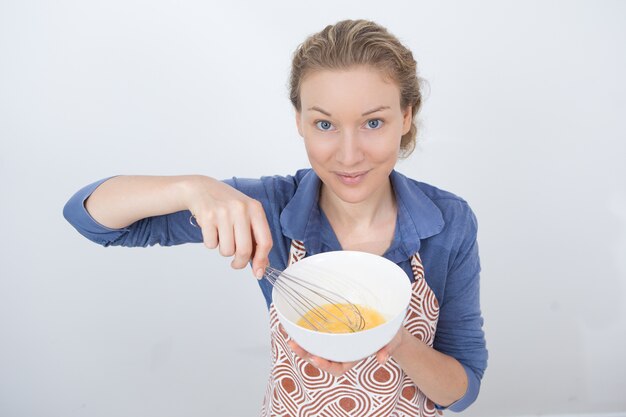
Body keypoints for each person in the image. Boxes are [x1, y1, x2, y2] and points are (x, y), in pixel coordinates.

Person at [64, 19, 487, 416]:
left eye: (373, 122)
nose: (348, 153)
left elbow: (463, 389)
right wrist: (191, 188)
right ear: (300, 121)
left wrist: (393, 341)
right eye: (325, 124)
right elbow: (90, 219)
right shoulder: (268, 208)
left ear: (406, 116)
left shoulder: (448, 222)